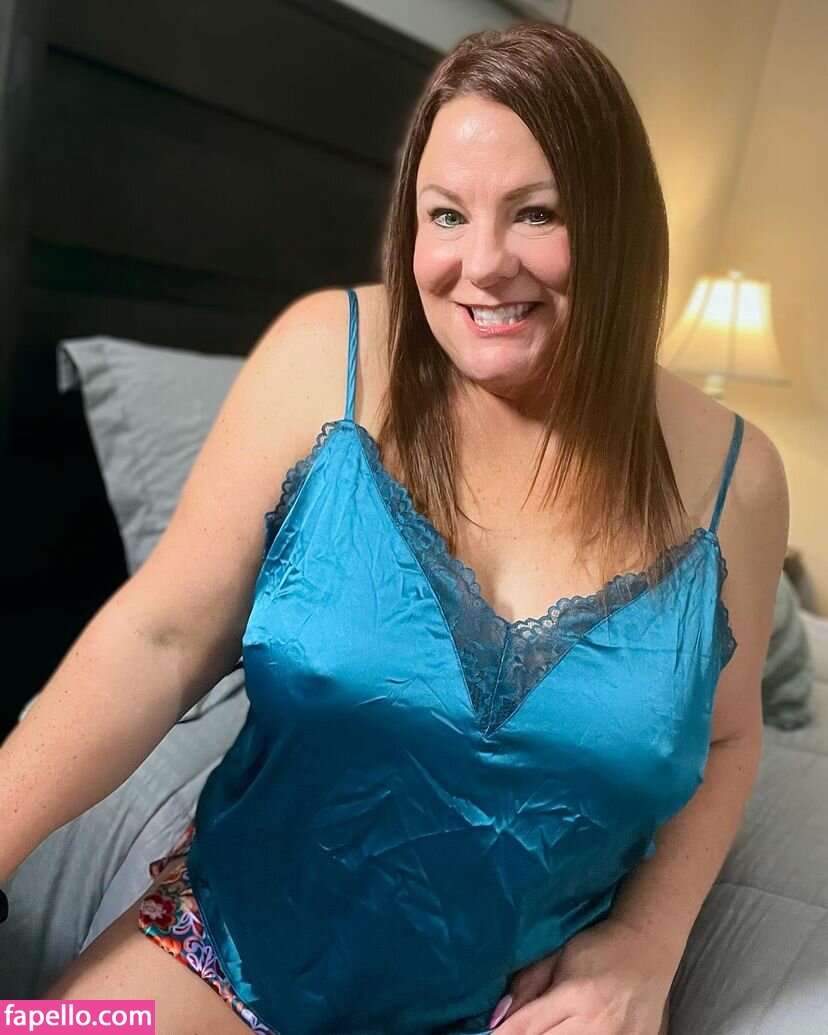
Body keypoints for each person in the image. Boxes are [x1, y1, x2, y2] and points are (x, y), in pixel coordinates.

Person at [0, 20, 788, 1035]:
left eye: (536, 213)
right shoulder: (321, 355)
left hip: (511, 1008)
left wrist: (649, 941)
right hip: (228, 951)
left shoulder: (736, 479)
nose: (481, 265)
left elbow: (729, 734)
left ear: (619, 222)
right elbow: (157, 638)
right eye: (446, 214)